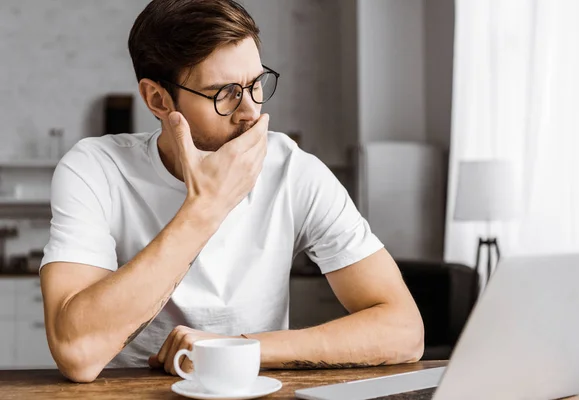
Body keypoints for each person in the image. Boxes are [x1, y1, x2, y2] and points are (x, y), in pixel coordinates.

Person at [39, 0, 424, 383]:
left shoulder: (293, 170)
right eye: (224, 93)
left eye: (255, 85)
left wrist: (238, 348)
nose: (250, 112)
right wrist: (206, 206)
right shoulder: (95, 168)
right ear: (158, 99)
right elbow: (78, 354)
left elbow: (405, 332)